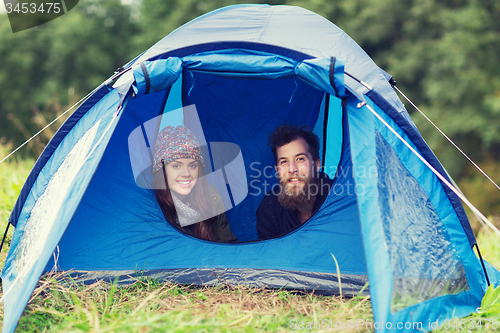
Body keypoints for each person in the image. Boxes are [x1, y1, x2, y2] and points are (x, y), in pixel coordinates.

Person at [152, 125, 238, 242]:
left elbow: (228, 245)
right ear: (162, 171)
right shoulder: (152, 206)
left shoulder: (210, 196)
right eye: (176, 166)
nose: (186, 173)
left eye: (192, 165)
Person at [256, 124, 333, 240]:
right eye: (284, 162)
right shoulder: (269, 209)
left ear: (317, 164)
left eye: (300, 159)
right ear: (277, 170)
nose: (292, 169)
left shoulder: (338, 198)